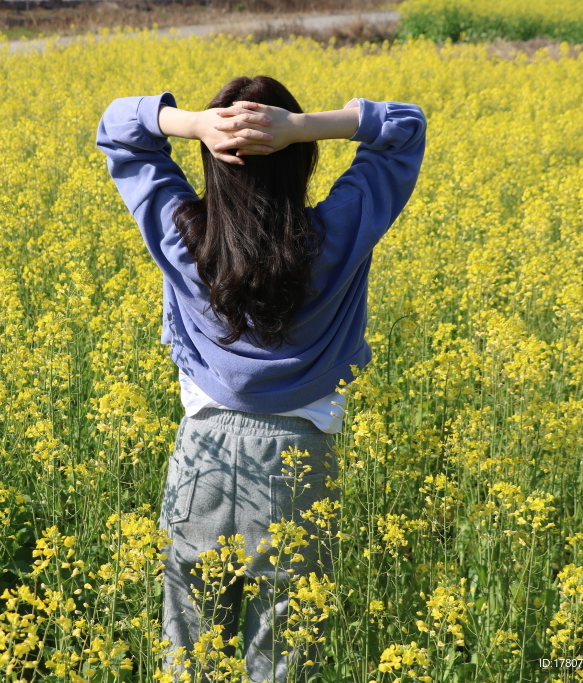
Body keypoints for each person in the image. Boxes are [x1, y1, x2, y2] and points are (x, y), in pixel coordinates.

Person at [96, 75, 426, 683]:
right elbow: (404, 128)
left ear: (212, 162)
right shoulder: (335, 238)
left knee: (192, 656)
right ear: (301, 162)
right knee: (284, 661)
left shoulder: (182, 234)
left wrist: (194, 122)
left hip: (201, 461)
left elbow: (119, 126)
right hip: (300, 463)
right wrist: (301, 128)